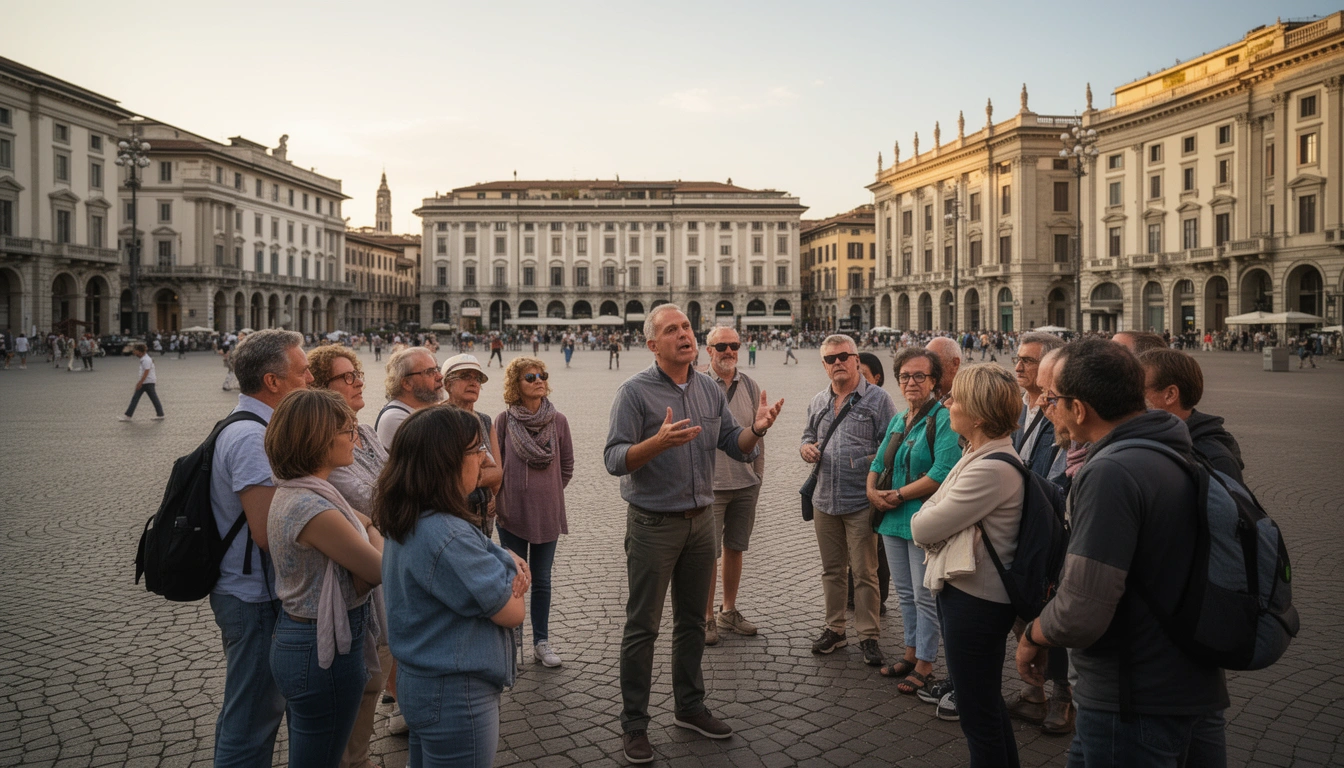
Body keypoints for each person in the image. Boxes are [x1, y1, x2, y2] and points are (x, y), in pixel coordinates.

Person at [1016, 339, 1228, 768]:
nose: (1044, 407)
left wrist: (1034, 634)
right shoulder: (1176, 449)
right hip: (1191, 679)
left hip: (1132, 693)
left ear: (1079, 409)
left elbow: (1082, 609)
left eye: (1052, 399)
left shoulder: (1111, 471)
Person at [603, 304, 782, 764]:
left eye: (685, 326)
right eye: (671, 330)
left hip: (701, 522)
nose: (684, 334)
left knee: (690, 622)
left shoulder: (706, 388)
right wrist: (655, 444)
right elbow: (614, 458)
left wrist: (756, 431)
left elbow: (732, 445)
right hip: (652, 524)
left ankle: (688, 706)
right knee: (642, 627)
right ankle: (635, 724)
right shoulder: (634, 392)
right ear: (652, 344)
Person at [376, 406, 529, 768]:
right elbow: (512, 612)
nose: (482, 458)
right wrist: (512, 574)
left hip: (423, 681)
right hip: (456, 693)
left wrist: (499, 558)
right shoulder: (447, 534)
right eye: (475, 450)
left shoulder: (410, 513)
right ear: (444, 462)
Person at [909, 364, 1026, 766]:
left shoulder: (990, 469)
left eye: (954, 398)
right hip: (969, 595)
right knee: (986, 704)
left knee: (977, 715)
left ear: (976, 413)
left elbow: (923, 525)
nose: (946, 403)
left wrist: (932, 507)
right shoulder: (976, 453)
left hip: (976, 602)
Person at [208, 329, 315, 766]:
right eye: (303, 370)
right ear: (273, 382)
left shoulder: (255, 426)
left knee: (256, 708)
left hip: (252, 594)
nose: (310, 378)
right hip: (252, 597)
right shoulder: (253, 438)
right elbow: (267, 530)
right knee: (253, 715)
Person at [265, 388, 385, 768]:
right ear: (318, 439)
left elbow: (366, 536)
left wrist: (367, 532)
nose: (356, 438)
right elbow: (379, 569)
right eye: (348, 430)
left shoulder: (306, 492)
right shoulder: (313, 506)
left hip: (309, 639)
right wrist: (371, 535)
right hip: (321, 649)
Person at [307, 345, 403, 763]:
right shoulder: (327, 446)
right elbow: (378, 499)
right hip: (356, 591)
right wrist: (377, 516)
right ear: (322, 389)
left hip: (382, 588)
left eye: (357, 373)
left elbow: (394, 485)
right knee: (357, 695)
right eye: (346, 377)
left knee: (374, 678)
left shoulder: (361, 433)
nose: (358, 381)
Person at [867, 348, 960, 695]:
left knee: (925, 595)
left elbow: (941, 472)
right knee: (905, 594)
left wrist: (899, 494)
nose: (911, 382)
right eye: (905, 376)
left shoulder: (944, 419)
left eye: (920, 376)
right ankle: (909, 651)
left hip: (923, 518)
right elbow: (878, 462)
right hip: (891, 520)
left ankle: (925, 662)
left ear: (934, 381)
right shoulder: (898, 418)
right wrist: (872, 491)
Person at [801, 334, 896, 666]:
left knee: (865, 571)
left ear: (857, 360)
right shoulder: (818, 401)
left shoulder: (879, 400)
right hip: (824, 499)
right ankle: (835, 630)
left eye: (844, 356)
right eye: (830, 359)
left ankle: (869, 635)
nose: (838, 362)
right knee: (831, 570)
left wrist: (867, 464)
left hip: (860, 500)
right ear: (824, 366)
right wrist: (806, 448)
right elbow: (807, 436)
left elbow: (891, 446)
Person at [494, 356, 575, 667]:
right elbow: (496, 466)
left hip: (547, 513)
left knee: (541, 579)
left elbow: (566, 466)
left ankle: (541, 641)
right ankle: (513, 641)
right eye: (530, 376)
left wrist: (550, 493)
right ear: (517, 384)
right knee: (515, 579)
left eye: (542, 375)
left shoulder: (559, 421)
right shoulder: (503, 421)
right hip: (511, 512)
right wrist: (508, 495)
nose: (539, 380)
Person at [702, 327, 765, 646]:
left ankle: (728, 610)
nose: (729, 351)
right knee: (707, 555)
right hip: (708, 487)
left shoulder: (751, 386)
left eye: (734, 345)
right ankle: (706, 617)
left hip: (744, 484)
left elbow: (759, 433)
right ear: (708, 350)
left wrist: (757, 477)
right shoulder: (697, 384)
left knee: (735, 548)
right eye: (722, 346)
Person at [1139, 348, 1246, 485]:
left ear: (1170, 395)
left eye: (1138, 390)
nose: (1129, 397)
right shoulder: (1147, 437)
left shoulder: (1215, 460)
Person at [442, 354, 505, 500]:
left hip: (482, 515)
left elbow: (498, 475)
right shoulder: (435, 420)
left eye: (477, 379)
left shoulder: (484, 421)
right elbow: (444, 477)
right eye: (465, 376)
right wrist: (483, 474)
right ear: (447, 384)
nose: (473, 383)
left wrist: (468, 476)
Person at [1011, 332, 1066, 479]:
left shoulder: (1064, 412)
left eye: (1027, 361)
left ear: (1050, 365)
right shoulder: (1015, 406)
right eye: (1017, 359)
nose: (1018, 368)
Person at [376, 347, 442, 449]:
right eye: (429, 372)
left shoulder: (421, 410)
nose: (439, 376)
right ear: (407, 383)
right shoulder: (396, 419)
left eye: (437, 369)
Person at [119, 343, 165, 421]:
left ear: (140, 351)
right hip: (147, 382)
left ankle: (128, 416)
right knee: (152, 398)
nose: (134, 353)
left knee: (137, 398)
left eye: (135, 351)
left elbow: (146, 372)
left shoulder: (146, 360)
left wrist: (140, 382)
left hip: (147, 382)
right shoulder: (145, 359)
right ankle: (160, 414)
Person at [924, 337, 962, 402]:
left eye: (933, 361)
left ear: (955, 363)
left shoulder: (966, 401)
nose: (926, 368)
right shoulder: (932, 395)